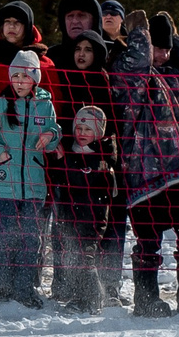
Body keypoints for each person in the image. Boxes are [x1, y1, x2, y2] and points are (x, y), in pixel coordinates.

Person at [112, 11, 179, 316]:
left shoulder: (178, 76)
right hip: (145, 177)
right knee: (148, 243)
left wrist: (172, 34)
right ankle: (146, 299)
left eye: (167, 48)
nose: (163, 54)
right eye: (159, 47)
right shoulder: (129, 72)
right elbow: (139, 62)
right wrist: (141, 33)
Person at [0, 50, 57, 305]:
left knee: (30, 241)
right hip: (2, 188)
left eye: (25, 75)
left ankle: (25, 289)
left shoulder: (45, 104)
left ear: (35, 78)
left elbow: (54, 134)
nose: (20, 81)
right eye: (16, 76)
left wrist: (52, 136)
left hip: (33, 188)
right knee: (1, 239)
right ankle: (0, 288)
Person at [46, 105, 123, 313]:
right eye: (79, 129)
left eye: (88, 130)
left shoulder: (103, 157)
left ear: (98, 132)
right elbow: (60, 179)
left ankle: (90, 298)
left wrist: (66, 161)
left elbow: (86, 179)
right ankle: (83, 295)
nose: (82, 134)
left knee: (84, 256)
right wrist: (61, 161)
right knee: (73, 257)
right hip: (70, 216)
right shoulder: (70, 152)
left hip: (93, 217)